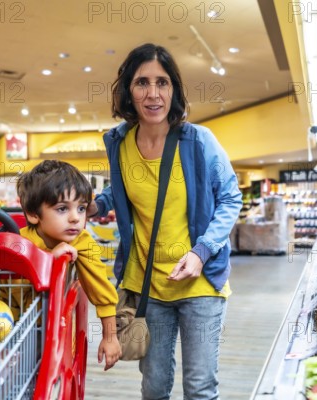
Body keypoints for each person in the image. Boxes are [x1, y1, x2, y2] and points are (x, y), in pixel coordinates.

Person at [89, 43, 243, 399]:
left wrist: (201, 251)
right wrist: (93, 206)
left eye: (162, 82)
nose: (153, 94)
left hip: (200, 283)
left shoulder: (198, 141)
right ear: (129, 90)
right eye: (142, 82)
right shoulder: (120, 143)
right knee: (154, 386)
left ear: (174, 89)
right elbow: (124, 190)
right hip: (148, 286)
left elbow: (230, 197)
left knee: (200, 386)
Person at [16, 159, 121, 371]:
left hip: (35, 328)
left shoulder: (83, 243)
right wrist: (48, 259)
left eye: (81, 208)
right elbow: (9, 284)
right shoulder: (20, 242)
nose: (75, 218)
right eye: (62, 209)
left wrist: (110, 337)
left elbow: (102, 289)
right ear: (33, 214)